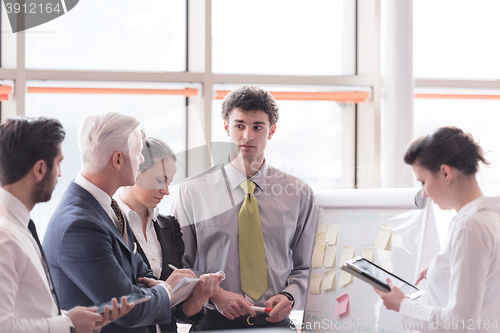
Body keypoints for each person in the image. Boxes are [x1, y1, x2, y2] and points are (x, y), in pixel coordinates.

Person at [172, 85, 318, 330]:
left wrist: (290, 296)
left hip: (275, 323)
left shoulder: (299, 193)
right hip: (213, 322)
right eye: (239, 125)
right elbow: (180, 267)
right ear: (227, 127)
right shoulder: (192, 192)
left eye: (257, 127)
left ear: (271, 131)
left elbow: (307, 265)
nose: (247, 136)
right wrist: (215, 294)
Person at [43, 111, 198, 333]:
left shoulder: (108, 210)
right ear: (118, 160)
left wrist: (144, 290)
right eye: (138, 153)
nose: (142, 159)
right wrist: (167, 290)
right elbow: (129, 309)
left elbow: (144, 275)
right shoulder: (80, 224)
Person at [0, 117, 134, 333]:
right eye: (59, 163)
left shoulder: (19, 226)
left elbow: (28, 309)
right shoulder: (5, 236)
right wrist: (67, 325)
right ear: (40, 169)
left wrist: (71, 318)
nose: (60, 174)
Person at [374, 126, 500, 332]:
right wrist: (443, 269)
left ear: (445, 173)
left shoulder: (469, 227)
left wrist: (403, 305)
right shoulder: (491, 216)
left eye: (423, 182)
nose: (423, 193)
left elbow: (461, 322)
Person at [116, 137, 221, 332]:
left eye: (169, 182)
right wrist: (166, 288)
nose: (165, 190)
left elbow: (175, 313)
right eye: (159, 179)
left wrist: (199, 297)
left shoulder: (168, 226)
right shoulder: (109, 224)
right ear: (134, 170)